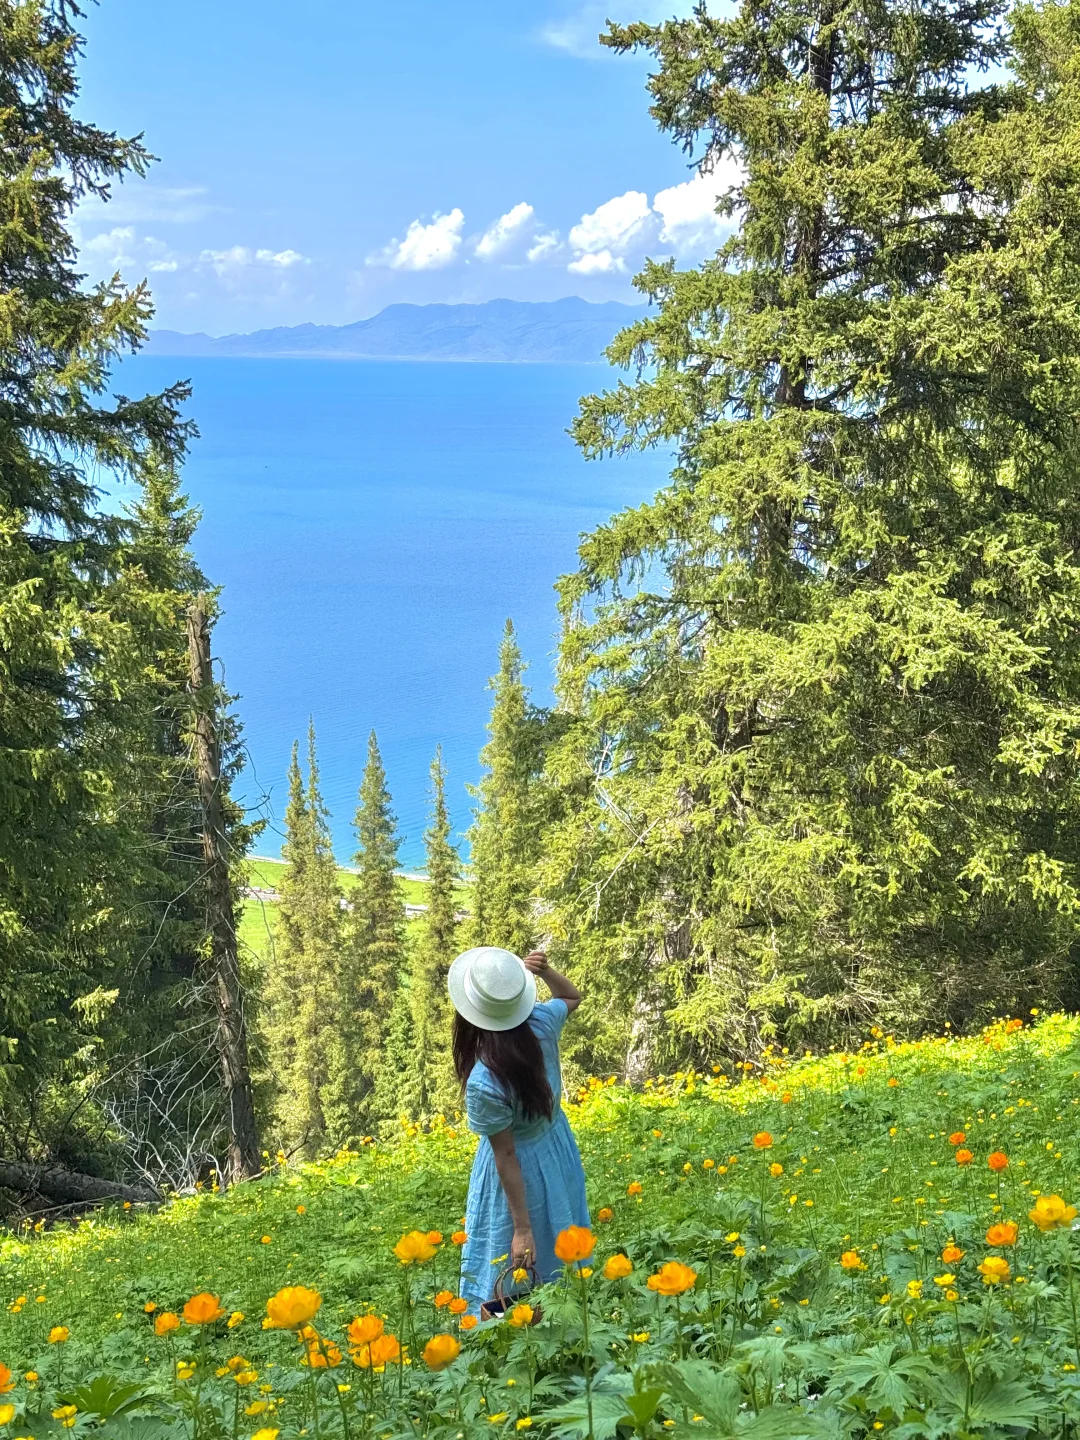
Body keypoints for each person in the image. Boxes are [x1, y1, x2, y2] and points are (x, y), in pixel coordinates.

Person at [448, 944, 588, 1312]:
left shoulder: (484, 1081)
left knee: (506, 1247)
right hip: (556, 1147)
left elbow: (505, 1154)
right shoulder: (543, 1022)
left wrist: (521, 1229)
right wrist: (542, 972)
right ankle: (566, 1312)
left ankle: (502, 1329)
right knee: (560, 1226)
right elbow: (571, 995)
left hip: (519, 1165)